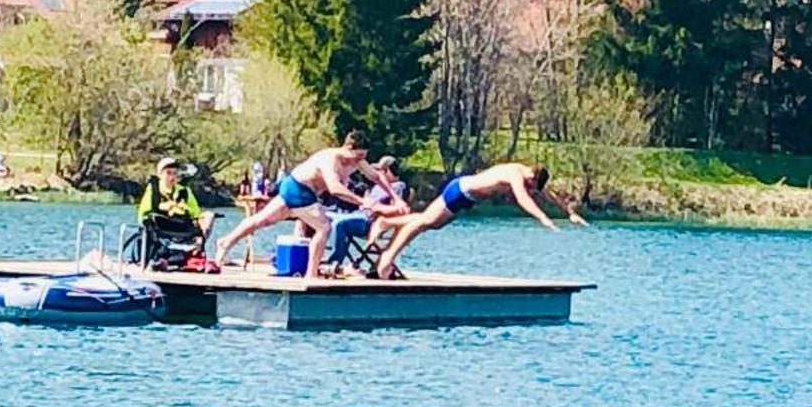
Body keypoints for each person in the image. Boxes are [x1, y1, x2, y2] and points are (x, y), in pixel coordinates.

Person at [212, 132, 392, 277]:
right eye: (357, 155)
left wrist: (395, 197)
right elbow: (335, 188)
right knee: (324, 227)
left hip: (303, 191)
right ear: (347, 148)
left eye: (363, 156)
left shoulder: (358, 161)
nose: (358, 160)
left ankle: (225, 242)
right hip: (299, 189)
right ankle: (311, 273)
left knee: (262, 220)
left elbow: (375, 176)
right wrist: (363, 201)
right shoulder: (329, 159)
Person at [373, 162, 586, 279]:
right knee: (423, 224)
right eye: (531, 187)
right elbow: (523, 198)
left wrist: (569, 212)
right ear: (531, 178)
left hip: (465, 196)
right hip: (460, 192)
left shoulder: (527, 172)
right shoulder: (515, 175)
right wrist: (543, 219)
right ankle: (387, 257)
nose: (531, 190)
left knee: (431, 222)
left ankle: (387, 223)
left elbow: (548, 194)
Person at [138, 156, 214, 246]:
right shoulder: (153, 190)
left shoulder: (184, 191)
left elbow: (196, 213)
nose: (172, 177)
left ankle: (197, 249)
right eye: (168, 173)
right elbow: (143, 214)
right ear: (159, 174)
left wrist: (201, 221)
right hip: (161, 226)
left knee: (209, 216)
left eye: (174, 173)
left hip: (181, 225)